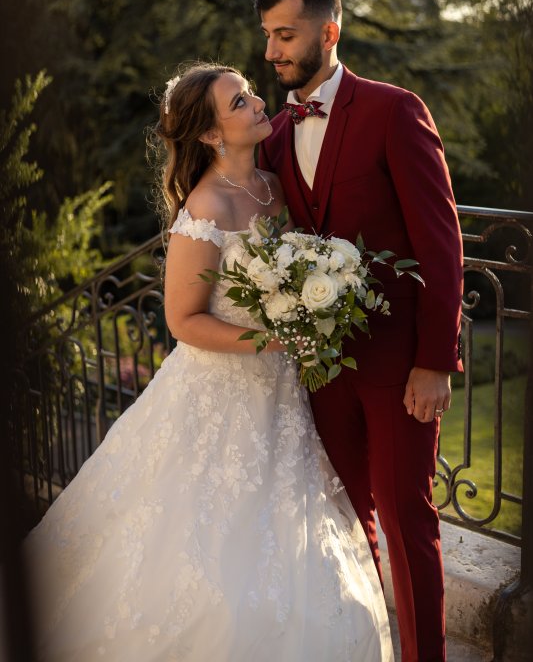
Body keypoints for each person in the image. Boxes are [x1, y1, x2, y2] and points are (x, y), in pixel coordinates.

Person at [24, 62, 393, 661]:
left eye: (249, 93)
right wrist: (272, 340)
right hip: (220, 390)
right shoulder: (206, 206)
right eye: (239, 102)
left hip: (284, 395)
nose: (255, 104)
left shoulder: (277, 185)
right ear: (212, 135)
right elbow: (183, 321)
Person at [255, 0, 464, 662]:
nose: (272, 53)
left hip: (400, 364)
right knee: (347, 521)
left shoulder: (393, 109)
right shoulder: (277, 133)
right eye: (267, 38)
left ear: (328, 32)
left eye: (284, 36)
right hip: (320, 368)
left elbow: (438, 241)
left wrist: (435, 359)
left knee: (406, 520)